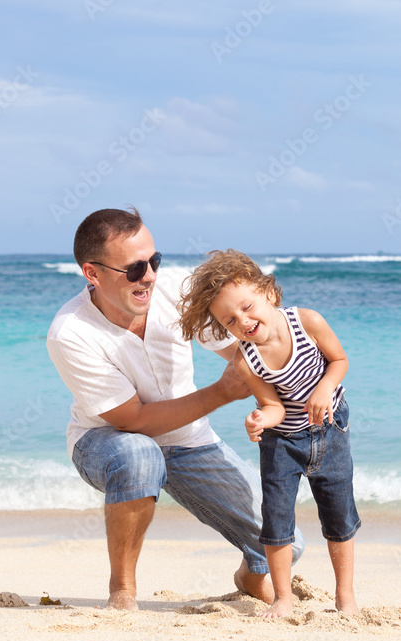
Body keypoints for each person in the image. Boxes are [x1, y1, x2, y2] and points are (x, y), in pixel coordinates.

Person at [46, 208, 304, 611]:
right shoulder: (71, 332)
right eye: (134, 269)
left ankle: (249, 575)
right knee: (139, 454)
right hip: (108, 442)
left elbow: (242, 347)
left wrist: (290, 393)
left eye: (154, 261)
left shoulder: (174, 290)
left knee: (290, 544)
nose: (149, 275)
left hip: (189, 440)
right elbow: (132, 420)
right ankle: (123, 591)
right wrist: (221, 393)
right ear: (92, 274)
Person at [178, 249, 360, 618]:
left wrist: (324, 388)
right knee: (276, 518)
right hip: (283, 442)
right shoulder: (246, 360)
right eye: (230, 320)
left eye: (247, 307)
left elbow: (339, 361)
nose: (243, 321)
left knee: (338, 515)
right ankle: (282, 599)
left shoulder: (308, 322)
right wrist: (261, 419)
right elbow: (274, 405)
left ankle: (346, 597)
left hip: (330, 430)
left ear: (269, 293)